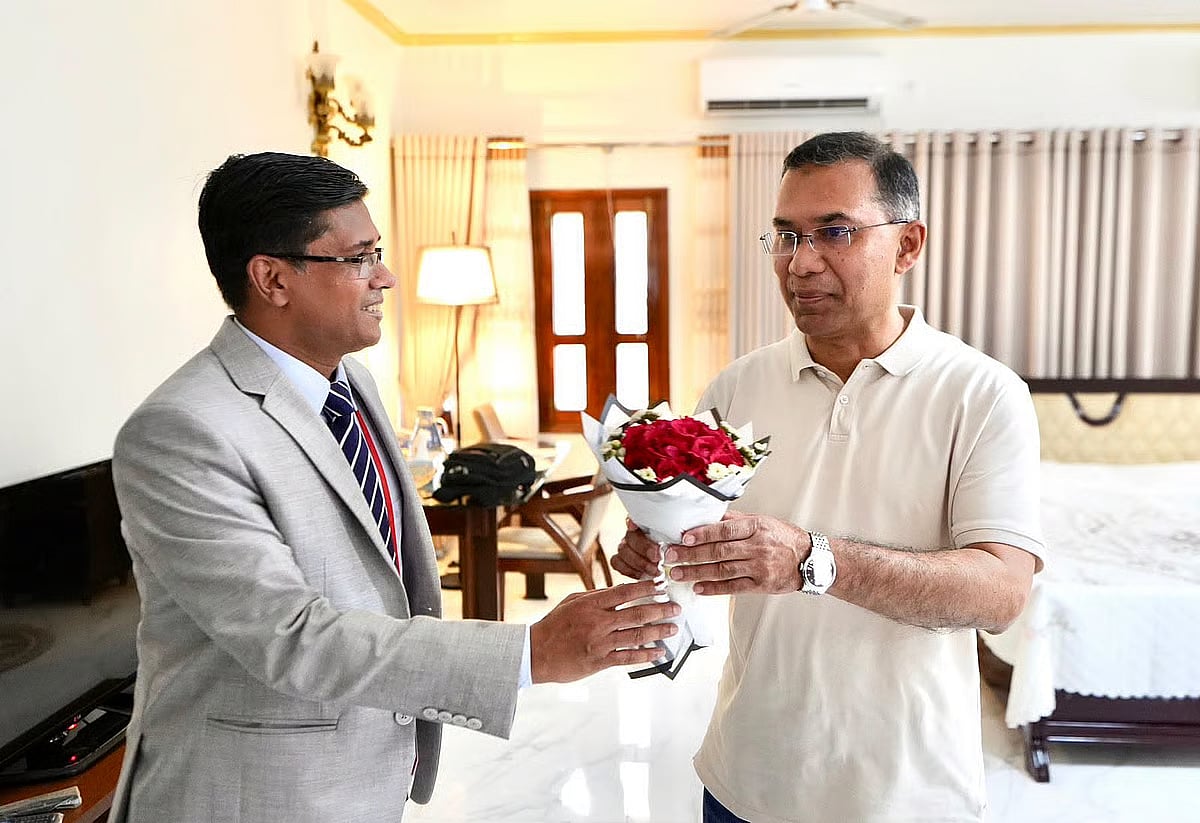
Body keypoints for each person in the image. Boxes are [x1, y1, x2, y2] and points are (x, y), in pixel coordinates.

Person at [108, 151, 680, 823]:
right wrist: (532, 651)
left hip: (361, 777)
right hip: (254, 795)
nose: (385, 276)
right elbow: (294, 637)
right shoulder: (183, 430)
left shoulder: (354, 384)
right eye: (358, 258)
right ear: (272, 278)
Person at [614, 132, 1044, 823]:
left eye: (834, 232)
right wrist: (656, 546)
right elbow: (696, 548)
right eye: (785, 235)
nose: (800, 263)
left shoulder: (982, 393)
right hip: (743, 776)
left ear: (908, 245)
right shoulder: (734, 388)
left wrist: (815, 561)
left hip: (906, 792)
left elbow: (1002, 591)